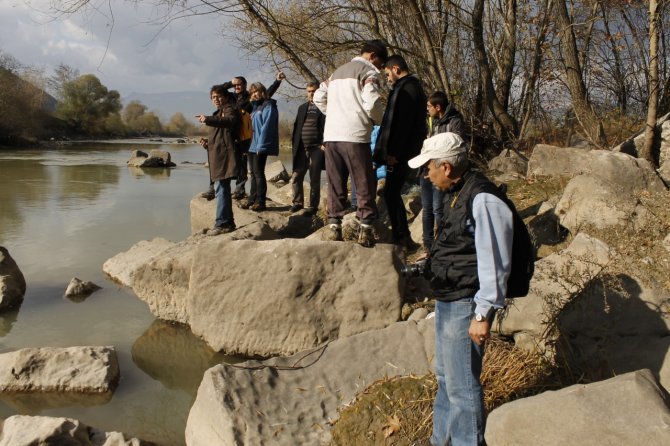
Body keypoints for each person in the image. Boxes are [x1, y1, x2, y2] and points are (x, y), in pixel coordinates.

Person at [407, 132, 513, 446]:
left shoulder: (481, 197)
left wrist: (483, 314)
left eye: (428, 167)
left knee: (463, 387)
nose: (425, 174)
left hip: (467, 302)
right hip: (450, 298)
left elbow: (496, 258)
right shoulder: (459, 191)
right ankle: (440, 440)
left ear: (446, 167)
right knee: (446, 378)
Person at [313, 40, 387, 247]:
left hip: (331, 135)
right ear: (373, 56)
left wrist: (334, 113)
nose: (381, 68)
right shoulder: (368, 72)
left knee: (335, 182)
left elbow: (318, 97)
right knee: (363, 181)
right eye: (381, 63)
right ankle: (365, 230)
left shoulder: (336, 73)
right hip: (355, 134)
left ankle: (334, 226)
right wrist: (382, 120)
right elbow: (372, 103)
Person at [200, 71, 285, 200]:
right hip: (230, 133)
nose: (237, 87)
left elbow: (266, 93)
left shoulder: (250, 98)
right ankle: (213, 188)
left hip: (244, 136)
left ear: (245, 85)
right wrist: (230, 82)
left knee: (243, 165)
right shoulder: (231, 97)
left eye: (240, 84)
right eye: (236, 85)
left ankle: (240, 190)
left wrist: (277, 81)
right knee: (219, 161)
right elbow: (218, 90)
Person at [373, 55, 427, 250]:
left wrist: (393, 152)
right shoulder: (405, 87)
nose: (387, 78)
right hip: (401, 151)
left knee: (391, 192)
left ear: (396, 69)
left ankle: (403, 238)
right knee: (390, 192)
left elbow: (402, 125)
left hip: (400, 152)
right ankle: (401, 236)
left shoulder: (408, 89)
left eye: (387, 74)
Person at [420, 91, 466, 257]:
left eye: (429, 107)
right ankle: (428, 244)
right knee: (427, 208)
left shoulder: (455, 121)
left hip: (442, 170)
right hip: (427, 169)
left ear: (438, 107)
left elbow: (457, 146)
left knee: (439, 208)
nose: (427, 110)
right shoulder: (430, 121)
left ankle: (441, 243)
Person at [196, 85, 239, 235]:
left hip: (225, 158)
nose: (216, 99)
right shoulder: (218, 113)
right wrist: (207, 144)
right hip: (218, 156)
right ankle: (228, 222)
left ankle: (222, 224)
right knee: (222, 189)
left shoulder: (230, 110)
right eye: (213, 97)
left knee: (221, 189)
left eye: (219, 96)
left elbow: (229, 121)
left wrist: (207, 119)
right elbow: (220, 137)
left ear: (226, 97)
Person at [240, 82, 279, 212]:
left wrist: (261, 146)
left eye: (256, 91)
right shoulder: (255, 107)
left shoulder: (269, 106)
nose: (255, 94)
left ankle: (260, 202)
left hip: (260, 145)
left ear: (263, 91)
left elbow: (266, 128)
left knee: (259, 173)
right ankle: (252, 199)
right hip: (251, 145)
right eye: (252, 92)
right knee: (253, 173)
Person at [289, 81, 326, 215]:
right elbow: (296, 127)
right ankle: (297, 203)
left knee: (314, 178)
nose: (311, 93)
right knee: (296, 176)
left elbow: (328, 127)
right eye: (309, 91)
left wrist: (324, 144)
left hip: (316, 148)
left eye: (314, 91)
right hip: (301, 149)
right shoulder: (302, 107)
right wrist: (294, 144)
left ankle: (312, 206)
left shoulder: (324, 107)